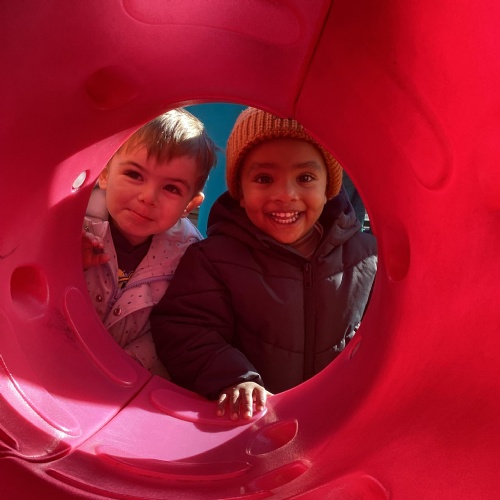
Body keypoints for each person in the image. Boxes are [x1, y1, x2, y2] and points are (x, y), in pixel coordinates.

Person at [151, 107, 377, 418]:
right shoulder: (214, 259)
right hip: (253, 425)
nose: (285, 194)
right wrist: (233, 378)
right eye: (264, 178)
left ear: (328, 188)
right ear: (240, 193)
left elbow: (388, 333)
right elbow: (186, 330)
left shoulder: (366, 257)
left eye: (305, 177)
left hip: (337, 417)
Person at [82, 108, 218, 376]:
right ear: (105, 173)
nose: (148, 197)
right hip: (55, 353)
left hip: (125, 377)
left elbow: (177, 327)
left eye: (171, 188)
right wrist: (63, 258)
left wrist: (127, 364)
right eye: (134, 175)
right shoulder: (71, 225)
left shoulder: (191, 257)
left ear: (189, 205)